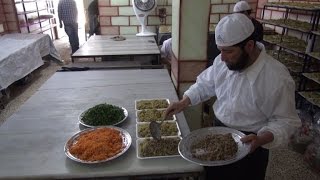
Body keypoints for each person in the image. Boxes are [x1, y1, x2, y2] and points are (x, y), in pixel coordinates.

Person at [165, 13, 300, 180]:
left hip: (251, 143)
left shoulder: (276, 77)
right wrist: (184, 101)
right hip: (218, 134)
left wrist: (260, 139)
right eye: (221, 50)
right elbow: (206, 84)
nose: (222, 57)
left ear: (249, 46)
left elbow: (286, 121)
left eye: (228, 51)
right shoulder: (223, 62)